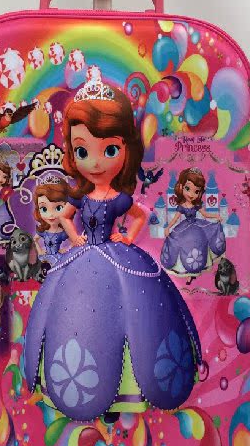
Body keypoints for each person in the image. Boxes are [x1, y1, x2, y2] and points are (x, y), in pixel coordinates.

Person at [24, 72, 202, 422]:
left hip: (116, 254)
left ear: (125, 150)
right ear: (73, 153)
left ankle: (129, 391)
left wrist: (129, 237)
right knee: (72, 308)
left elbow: (141, 214)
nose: (95, 162)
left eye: (109, 150)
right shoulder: (82, 195)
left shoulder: (118, 198)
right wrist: (74, 236)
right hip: (82, 256)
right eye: (82, 151)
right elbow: (65, 217)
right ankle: (75, 387)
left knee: (133, 308)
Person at [160, 167, 226, 283]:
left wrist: (216, 216)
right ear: (181, 187)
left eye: (196, 191)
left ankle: (196, 271)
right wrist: (168, 227)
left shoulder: (196, 205)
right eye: (187, 188)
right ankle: (189, 273)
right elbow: (175, 219)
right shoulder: (182, 206)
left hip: (198, 227)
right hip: (184, 228)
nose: (191, 194)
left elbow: (205, 214)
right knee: (184, 245)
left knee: (200, 244)